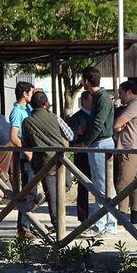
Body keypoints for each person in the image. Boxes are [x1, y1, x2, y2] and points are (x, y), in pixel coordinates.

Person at [21, 91, 70, 231]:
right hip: (60, 159)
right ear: (46, 104)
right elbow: (70, 134)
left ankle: (57, 224)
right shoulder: (54, 117)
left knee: (53, 195)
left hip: (42, 162)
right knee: (65, 186)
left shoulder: (27, 121)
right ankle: (59, 228)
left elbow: (26, 141)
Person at [80, 66, 116, 235]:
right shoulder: (101, 96)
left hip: (100, 143)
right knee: (105, 184)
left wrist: (86, 141)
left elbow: (98, 124)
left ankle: (102, 224)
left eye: (82, 79)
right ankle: (110, 223)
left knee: (100, 185)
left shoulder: (101, 97)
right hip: (102, 142)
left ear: (87, 80)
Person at [9, 81, 41, 239]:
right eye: (31, 92)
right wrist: (26, 152)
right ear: (24, 94)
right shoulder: (17, 112)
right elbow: (14, 136)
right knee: (28, 193)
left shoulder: (27, 109)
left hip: (32, 154)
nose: (32, 95)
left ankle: (28, 223)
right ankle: (23, 227)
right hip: (26, 156)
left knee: (33, 193)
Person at [113, 80, 137, 225]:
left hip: (130, 150)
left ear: (129, 92)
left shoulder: (134, 105)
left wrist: (117, 128)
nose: (119, 96)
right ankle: (134, 215)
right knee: (132, 184)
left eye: (121, 93)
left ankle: (122, 217)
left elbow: (116, 124)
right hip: (134, 149)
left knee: (122, 184)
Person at [66, 91, 93, 223]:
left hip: (95, 154)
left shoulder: (95, 115)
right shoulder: (76, 118)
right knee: (83, 187)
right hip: (82, 156)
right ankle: (83, 217)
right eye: (92, 99)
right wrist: (80, 135)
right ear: (85, 101)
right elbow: (71, 139)